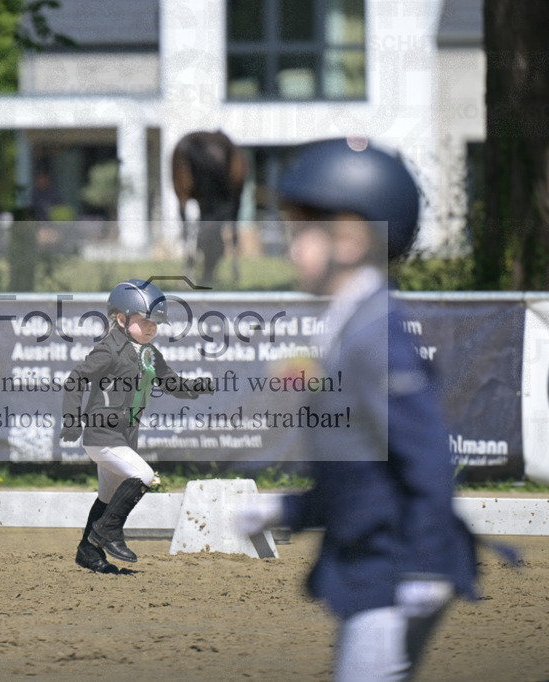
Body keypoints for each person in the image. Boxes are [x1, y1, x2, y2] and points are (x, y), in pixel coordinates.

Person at [238, 138, 479, 681]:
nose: (289, 247)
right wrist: (290, 511)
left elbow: (426, 456)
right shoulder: (351, 325)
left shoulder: (376, 337)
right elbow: (365, 467)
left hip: (396, 566)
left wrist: (426, 561)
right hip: (374, 562)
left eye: (300, 233)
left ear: (349, 240)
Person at [61, 279, 214, 573]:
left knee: (108, 496)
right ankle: (108, 533)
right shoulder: (109, 350)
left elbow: (170, 383)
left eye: (156, 324)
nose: (151, 328)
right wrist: (71, 420)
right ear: (121, 319)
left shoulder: (149, 354)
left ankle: (87, 551)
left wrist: (195, 386)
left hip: (124, 435)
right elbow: (75, 379)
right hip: (102, 433)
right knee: (143, 475)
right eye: (145, 321)